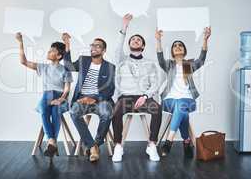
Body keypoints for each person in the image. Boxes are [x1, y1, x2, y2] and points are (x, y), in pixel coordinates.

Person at [112, 14, 162, 162]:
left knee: (157, 109)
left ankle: (152, 144)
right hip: (125, 97)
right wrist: (124, 27)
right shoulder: (121, 59)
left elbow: (155, 83)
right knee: (115, 111)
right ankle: (118, 146)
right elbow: (118, 46)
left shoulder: (150, 63)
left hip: (143, 97)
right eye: (133, 39)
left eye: (138, 40)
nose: (135, 41)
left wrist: (145, 96)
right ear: (129, 44)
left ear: (143, 46)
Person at [155, 27, 211, 158]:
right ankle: (186, 141)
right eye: (175, 45)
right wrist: (158, 40)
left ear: (184, 50)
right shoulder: (169, 64)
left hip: (188, 101)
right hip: (169, 101)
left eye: (180, 45)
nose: (178, 46)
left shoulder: (189, 65)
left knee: (181, 105)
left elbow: (202, 59)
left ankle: (168, 142)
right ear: (172, 51)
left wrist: (205, 39)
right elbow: (160, 58)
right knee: (183, 113)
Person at [16, 32, 73, 158]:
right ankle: (52, 141)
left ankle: (51, 141)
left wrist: (61, 99)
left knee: (56, 110)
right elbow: (23, 61)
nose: (48, 51)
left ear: (58, 56)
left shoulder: (65, 69)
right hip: (47, 95)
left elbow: (67, 89)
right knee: (44, 109)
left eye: (52, 50)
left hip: (60, 96)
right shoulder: (43, 67)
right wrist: (20, 42)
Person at [62, 33, 115, 162]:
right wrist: (67, 44)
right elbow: (68, 66)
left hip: (100, 99)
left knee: (107, 113)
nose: (94, 48)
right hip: (81, 99)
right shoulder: (83, 60)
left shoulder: (110, 67)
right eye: (92, 45)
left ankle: (95, 144)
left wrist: (94, 99)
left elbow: (110, 89)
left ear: (103, 50)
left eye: (98, 46)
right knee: (74, 112)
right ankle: (92, 147)